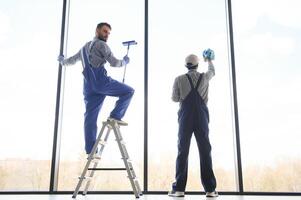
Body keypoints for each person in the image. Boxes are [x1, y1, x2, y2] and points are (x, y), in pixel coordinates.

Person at [57, 22, 134, 155]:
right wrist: (125, 61)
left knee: (90, 117)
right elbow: (114, 63)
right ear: (97, 31)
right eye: (105, 31)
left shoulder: (84, 48)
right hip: (101, 81)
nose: (107, 35)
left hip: (88, 86)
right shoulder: (102, 45)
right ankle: (115, 116)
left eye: (109, 33)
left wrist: (62, 60)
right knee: (129, 91)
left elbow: (71, 60)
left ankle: (91, 150)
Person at [168, 51, 218, 198]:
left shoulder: (178, 79)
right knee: (205, 150)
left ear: (186, 65)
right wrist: (208, 60)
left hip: (185, 118)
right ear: (197, 65)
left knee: (182, 151)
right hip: (201, 117)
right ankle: (210, 190)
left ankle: (179, 190)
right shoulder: (205, 77)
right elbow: (212, 71)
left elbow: (175, 99)